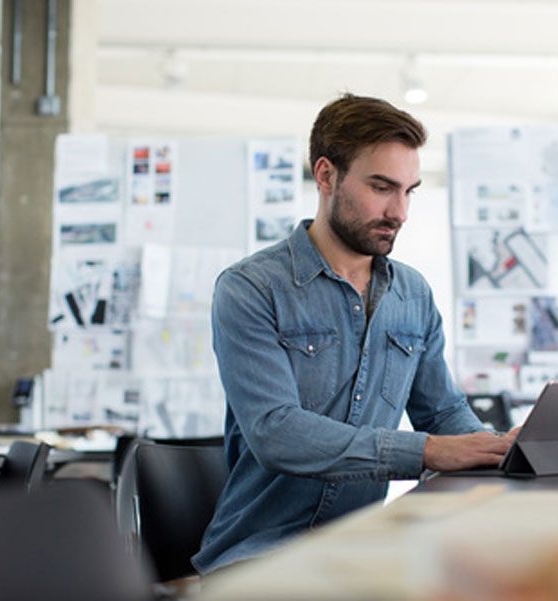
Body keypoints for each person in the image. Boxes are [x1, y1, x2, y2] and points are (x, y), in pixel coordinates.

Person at [192, 93, 516, 575]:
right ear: (326, 175)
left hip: (365, 549)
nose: (399, 211)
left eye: (409, 191)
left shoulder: (412, 293)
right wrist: (426, 451)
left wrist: (502, 450)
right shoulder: (250, 289)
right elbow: (276, 432)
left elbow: (443, 411)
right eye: (382, 187)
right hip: (259, 556)